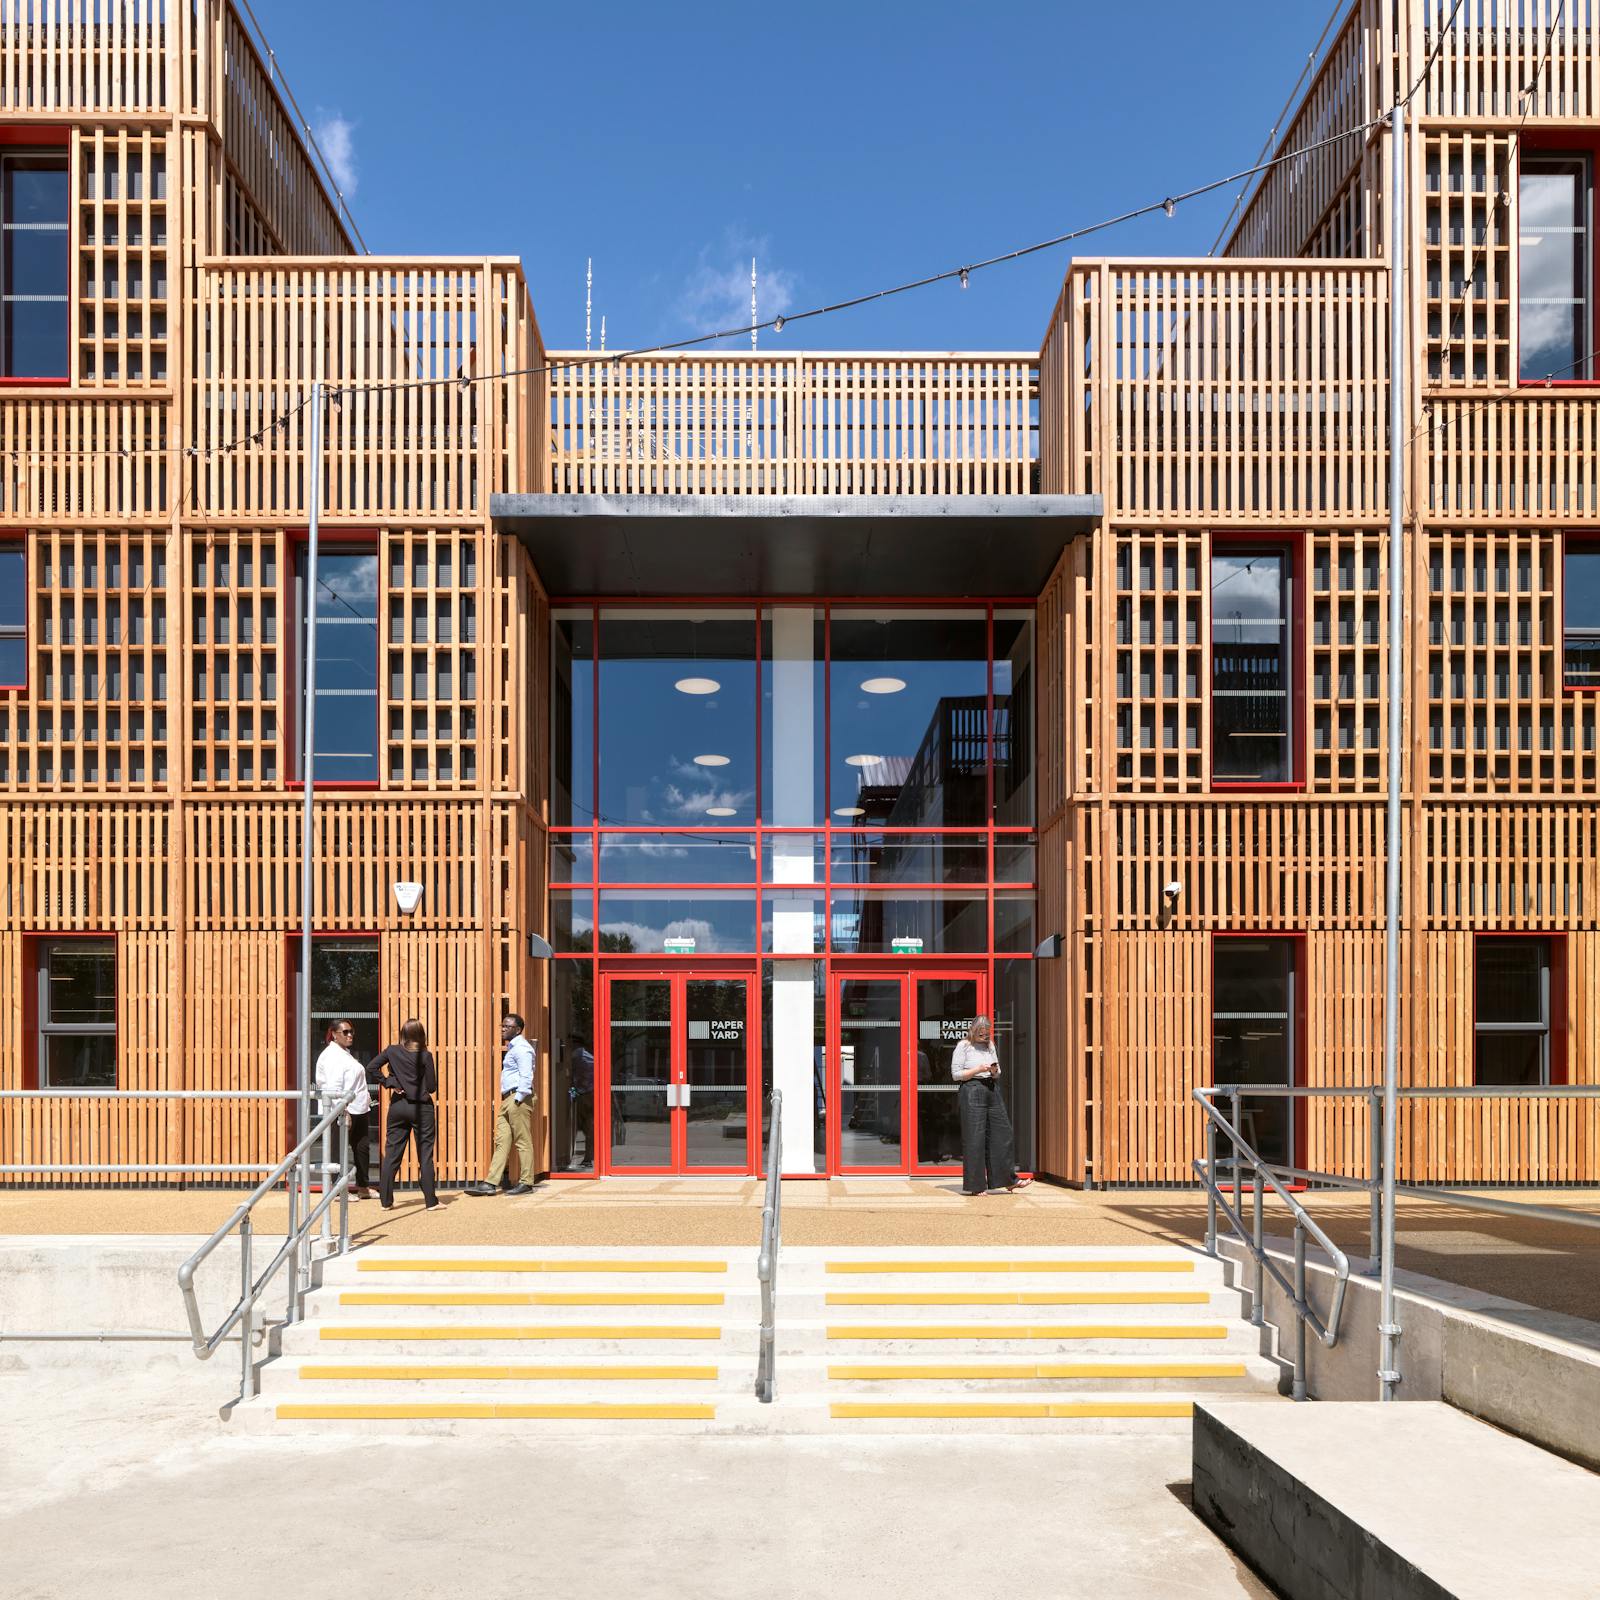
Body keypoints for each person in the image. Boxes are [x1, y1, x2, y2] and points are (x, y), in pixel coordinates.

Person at [951, 1015, 1031, 1196]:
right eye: (981, 1034)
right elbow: (956, 1074)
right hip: (972, 1088)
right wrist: (978, 1069)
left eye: (986, 1034)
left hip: (991, 1087)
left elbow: (998, 1071)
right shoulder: (963, 1046)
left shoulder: (990, 1045)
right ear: (973, 1031)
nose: (984, 1037)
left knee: (1003, 1132)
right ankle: (976, 1186)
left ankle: (1008, 1180)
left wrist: (994, 1071)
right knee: (974, 1138)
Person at [369, 1018, 440, 1210]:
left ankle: (386, 1202)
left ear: (403, 1034)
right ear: (422, 1035)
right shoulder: (425, 1056)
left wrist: (389, 1082)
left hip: (398, 1106)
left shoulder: (392, 1051)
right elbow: (431, 1087)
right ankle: (431, 1202)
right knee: (425, 1155)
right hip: (422, 1108)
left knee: (392, 1154)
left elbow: (371, 1067)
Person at [466, 1013, 538, 1197]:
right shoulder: (513, 1047)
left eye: (507, 1026)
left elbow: (527, 1076)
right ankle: (491, 1182)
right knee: (502, 1140)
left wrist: (518, 1099)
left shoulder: (522, 1048)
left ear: (518, 1030)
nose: (503, 1029)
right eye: (502, 1026)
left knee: (522, 1141)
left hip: (518, 1098)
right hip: (509, 1099)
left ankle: (526, 1182)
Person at [315, 1019, 375, 1198]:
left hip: (359, 1108)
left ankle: (363, 1187)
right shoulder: (332, 1056)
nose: (350, 1035)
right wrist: (343, 1110)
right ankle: (339, 1189)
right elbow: (334, 1086)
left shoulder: (345, 1054)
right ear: (334, 1034)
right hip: (342, 1110)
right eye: (345, 1032)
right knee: (338, 1150)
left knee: (362, 1148)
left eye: (351, 1032)